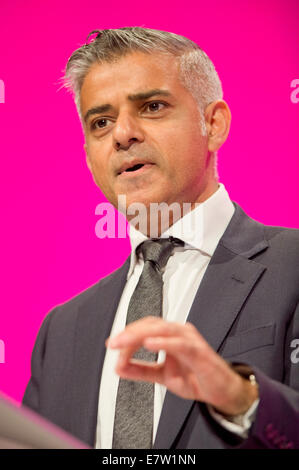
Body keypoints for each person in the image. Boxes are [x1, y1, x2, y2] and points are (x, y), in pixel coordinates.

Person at [22, 27, 299, 449]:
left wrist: (240, 398)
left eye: (151, 106)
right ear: (88, 153)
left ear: (213, 123)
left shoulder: (291, 265)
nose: (122, 134)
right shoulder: (61, 331)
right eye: (101, 122)